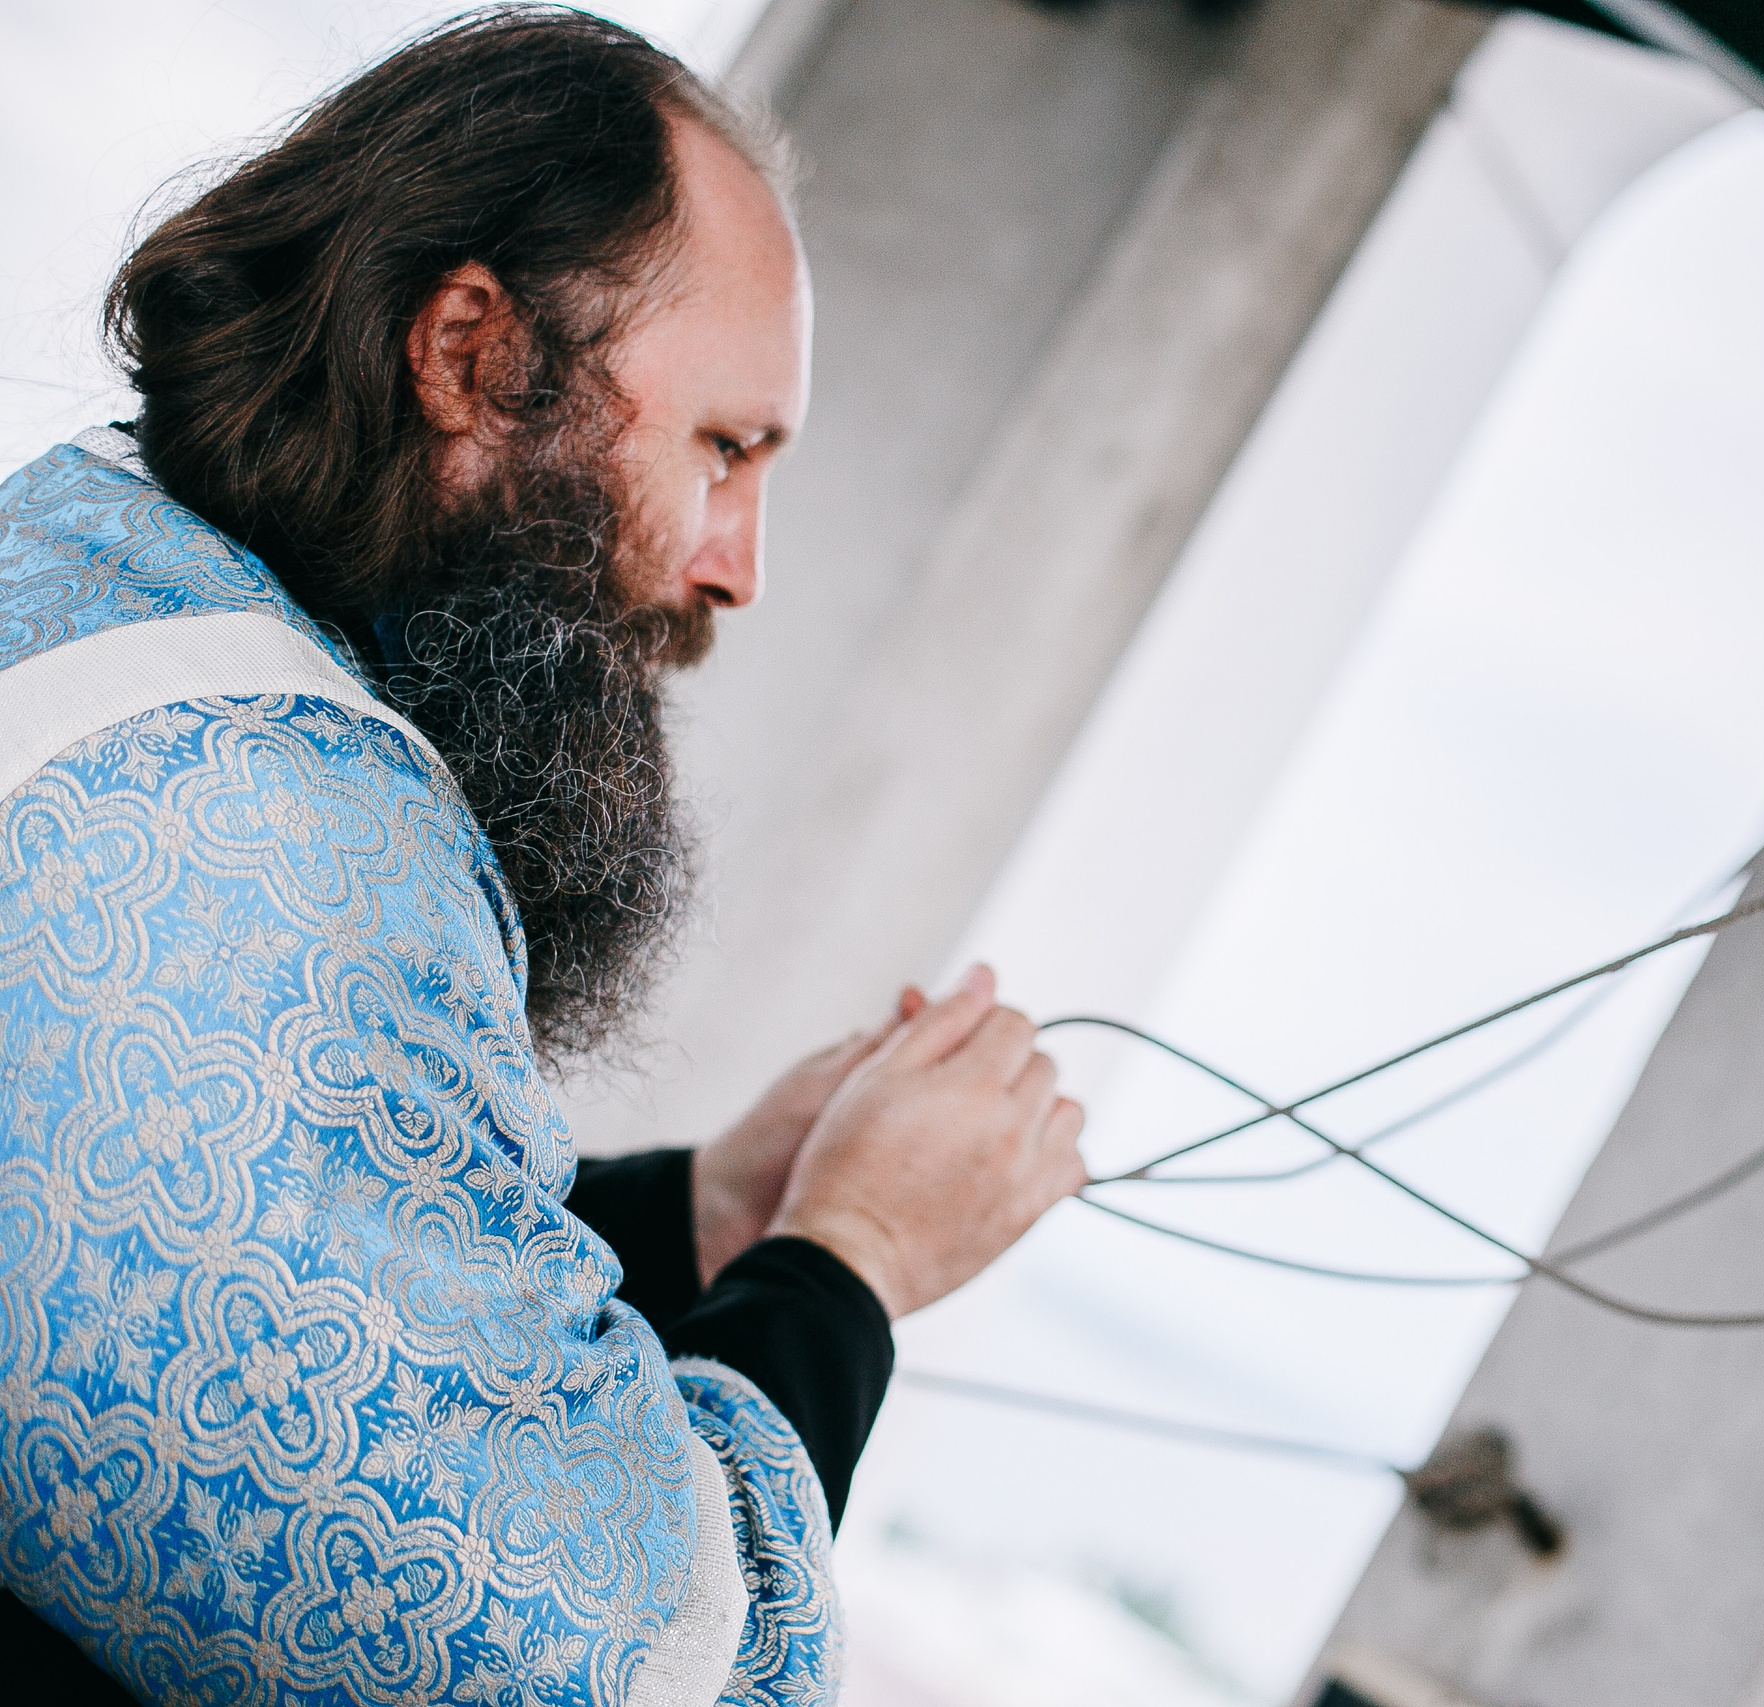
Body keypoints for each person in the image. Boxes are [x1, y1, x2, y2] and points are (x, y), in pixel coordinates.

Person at [0, 9, 1088, 1703]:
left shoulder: (90, 584)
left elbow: (277, 1290)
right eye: (722, 450)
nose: (737, 570)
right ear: (469, 356)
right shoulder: (272, 836)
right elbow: (593, 1661)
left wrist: (710, 1214)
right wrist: (850, 1261)